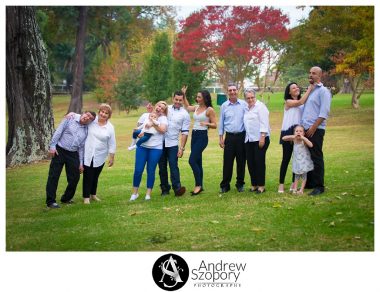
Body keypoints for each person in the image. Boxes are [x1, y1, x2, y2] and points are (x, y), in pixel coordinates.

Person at [45, 111, 96, 208]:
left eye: (90, 118)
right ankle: (51, 201)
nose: (87, 117)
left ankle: (66, 198)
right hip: (59, 150)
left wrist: (81, 163)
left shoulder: (86, 131)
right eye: (87, 115)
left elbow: (81, 147)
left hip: (73, 153)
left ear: (90, 122)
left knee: (75, 177)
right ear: (83, 113)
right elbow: (58, 132)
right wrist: (52, 146)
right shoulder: (70, 118)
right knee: (53, 176)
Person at [278, 83, 314, 193]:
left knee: (297, 158)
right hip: (288, 131)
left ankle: (294, 183)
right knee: (286, 159)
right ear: (289, 92)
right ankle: (281, 184)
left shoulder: (303, 103)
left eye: (297, 87)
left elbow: (303, 103)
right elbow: (300, 102)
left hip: (299, 132)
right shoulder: (288, 102)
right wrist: (309, 89)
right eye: (293, 88)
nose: (296, 88)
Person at [301, 66, 332, 196]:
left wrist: (313, 128)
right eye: (310, 73)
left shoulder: (323, 92)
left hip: (316, 130)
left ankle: (319, 186)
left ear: (319, 76)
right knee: (308, 157)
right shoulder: (311, 91)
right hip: (306, 129)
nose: (311, 75)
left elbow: (324, 113)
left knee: (317, 157)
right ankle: (311, 182)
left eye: (313, 73)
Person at [130, 101, 168, 201]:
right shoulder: (145, 115)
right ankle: (135, 193)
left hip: (156, 148)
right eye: (159, 106)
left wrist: (153, 122)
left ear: (163, 111)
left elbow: (163, 130)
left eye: (163, 108)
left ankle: (148, 194)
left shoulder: (163, 119)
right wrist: (139, 133)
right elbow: (138, 127)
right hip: (142, 146)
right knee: (138, 170)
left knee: (151, 170)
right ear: (156, 106)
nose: (160, 108)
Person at [183, 87, 217, 195]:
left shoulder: (209, 110)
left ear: (205, 98)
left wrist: (207, 124)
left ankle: (198, 185)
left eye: (199, 97)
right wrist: (184, 95)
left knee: (192, 160)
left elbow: (215, 125)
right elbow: (187, 107)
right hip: (195, 135)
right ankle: (200, 185)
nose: (197, 99)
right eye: (197, 97)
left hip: (202, 137)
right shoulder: (197, 107)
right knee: (198, 161)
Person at [158, 91, 190, 197]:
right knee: (162, 167)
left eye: (180, 100)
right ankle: (164, 189)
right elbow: (155, 115)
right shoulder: (166, 108)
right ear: (173, 98)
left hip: (172, 144)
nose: (178, 102)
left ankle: (177, 188)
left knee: (173, 165)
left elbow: (185, 133)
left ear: (183, 100)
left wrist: (182, 148)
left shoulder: (185, 114)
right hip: (160, 142)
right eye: (176, 99)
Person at [82, 104, 116, 204]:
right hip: (88, 153)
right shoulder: (92, 120)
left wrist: (111, 157)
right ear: (99, 111)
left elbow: (112, 143)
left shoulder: (110, 127)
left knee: (95, 176)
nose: (103, 114)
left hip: (101, 155)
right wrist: (72, 114)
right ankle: (86, 197)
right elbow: (82, 117)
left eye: (106, 113)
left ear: (109, 116)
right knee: (88, 175)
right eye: (102, 111)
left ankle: (93, 194)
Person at [218, 83, 247, 193]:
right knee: (227, 162)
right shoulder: (224, 106)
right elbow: (221, 123)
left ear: (237, 91)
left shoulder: (244, 104)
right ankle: (225, 185)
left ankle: (240, 184)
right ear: (227, 92)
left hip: (241, 137)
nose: (232, 92)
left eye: (234, 90)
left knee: (241, 162)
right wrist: (221, 138)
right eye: (230, 90)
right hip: (229, 137)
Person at [243, 89, 270, 194]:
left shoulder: (260, 107)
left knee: (259, 162)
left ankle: (261, 186)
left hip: (260, 139)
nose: (250, 100)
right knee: (250, 163)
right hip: (249, 139)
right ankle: (254, 184)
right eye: (248, 98)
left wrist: (262, 137)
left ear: (255, 97)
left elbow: (264, 122)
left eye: (252, 97)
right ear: (245, 99)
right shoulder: (246, 108)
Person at [282, 125, 314, 195]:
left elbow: (311, 145)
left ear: (304, 133)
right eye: (296, 131)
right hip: (297, 161)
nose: (298, 132)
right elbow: (283, 138)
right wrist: (293, 136)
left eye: (300, 131)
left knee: (304, 176)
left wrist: (303, 138)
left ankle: (301, 190)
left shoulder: (304, 140)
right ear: (294, 133)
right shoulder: (294, 139)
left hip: (304, 161)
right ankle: (295, 189)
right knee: (296, 175)